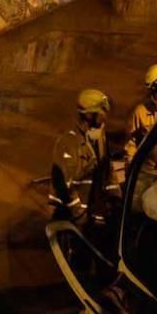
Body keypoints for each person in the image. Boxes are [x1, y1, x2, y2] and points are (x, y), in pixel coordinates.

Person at [49, 89, 119, 228]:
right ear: (89, 115)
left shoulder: (100, 137)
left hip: (92, 211)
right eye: (101, 114)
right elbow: (66, 186)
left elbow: (107, 169)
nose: (104, 118)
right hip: (71, 216)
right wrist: (80, 215)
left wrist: (115, 197)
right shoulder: (68, 142)